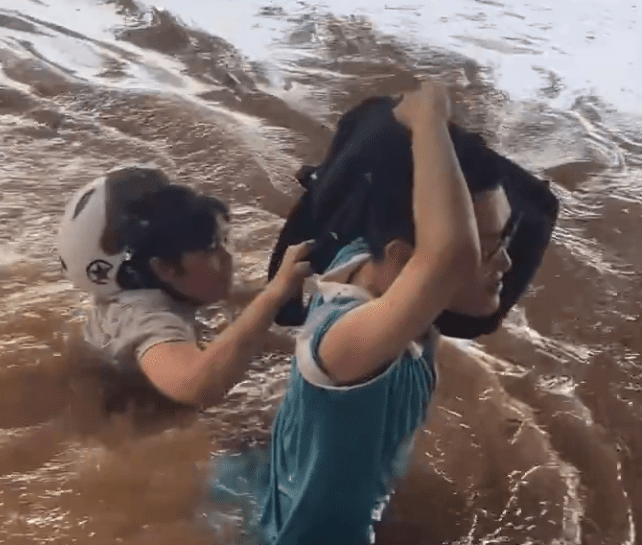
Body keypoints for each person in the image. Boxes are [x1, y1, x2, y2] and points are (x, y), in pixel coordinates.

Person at [211, 81, 518, 545]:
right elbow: (449, 255)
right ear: (406, 258)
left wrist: (423, 137)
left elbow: (407, 210)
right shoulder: (345, 342)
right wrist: (428, 119)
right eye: (489, 248)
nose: (507, 264)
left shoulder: (368, 257)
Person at [56, 166, 312, 410]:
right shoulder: (144, 318)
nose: (228, 257)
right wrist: (275, 292)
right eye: (212, 248)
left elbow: (246, 305)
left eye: (224, 241)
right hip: (136, 410)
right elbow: (197, 387)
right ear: (164, 268)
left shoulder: (159, 287)